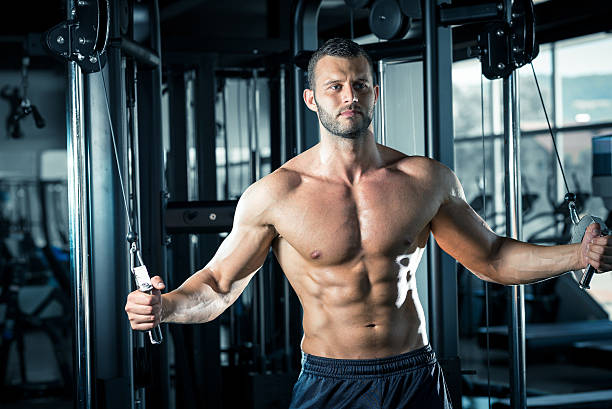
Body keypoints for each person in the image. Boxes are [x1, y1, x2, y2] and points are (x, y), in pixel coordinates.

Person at [125, 38, 612, 408]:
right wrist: (164, 307)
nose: (348, 95)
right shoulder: (277, 194)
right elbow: (218, 283)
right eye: (334, 86)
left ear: (375, 93)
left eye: (359, 85)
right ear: (312, 99)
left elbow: (492, 257)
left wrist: (578, 255)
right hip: (330, 380)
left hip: (415, 374)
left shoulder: (425, 179)